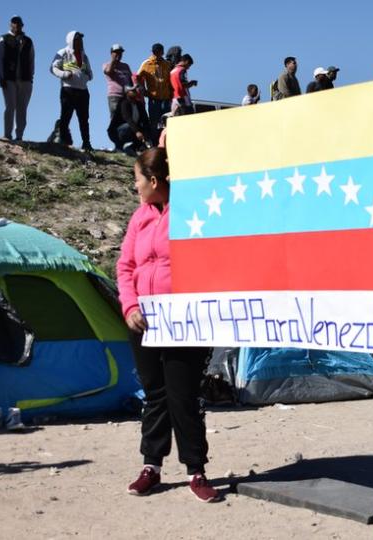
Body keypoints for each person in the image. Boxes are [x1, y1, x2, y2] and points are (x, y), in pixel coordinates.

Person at [116, 147, 219, 503]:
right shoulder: (138, 218)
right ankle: (152, 466)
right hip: (142, 320)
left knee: (182, 395)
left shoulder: (191, 213)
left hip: (183, 319)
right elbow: (125, 267)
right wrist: (129, 306)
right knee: (155, 393)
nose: (136, 188)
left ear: (155, 181)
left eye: (138, 180)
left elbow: (210, 261)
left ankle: (196, 470)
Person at [50, 30, 93, 152]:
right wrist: (64, 74)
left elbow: (90, 72)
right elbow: (53, 68)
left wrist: (87, 76)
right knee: (66, 116)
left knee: (84, 119)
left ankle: (86, 143)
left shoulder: (84, 56)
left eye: (81, 39)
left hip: (83, 91)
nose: (80, 42)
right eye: (77, 39)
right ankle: (63, 141)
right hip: (68, 89)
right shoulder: (63, 53)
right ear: (71, 40)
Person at [0, 15, 34, 141]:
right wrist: (1, 77)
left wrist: (31, 78)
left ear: (22, 25)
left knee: (22, 108)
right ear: (10, 25)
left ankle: (19, 136)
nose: (16, 25)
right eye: (14, 23)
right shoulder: (4, 39)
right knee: (10, 106)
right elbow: (0, 59)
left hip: (25, 80)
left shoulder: (28, 41)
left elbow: (31, 59)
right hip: (9, 79)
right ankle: (7, 134)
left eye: (18, 23)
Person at [136, 44, 172, 143]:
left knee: (167, 122)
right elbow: (137, 77)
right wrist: (143, 89)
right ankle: (155, 144)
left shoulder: (167, 64)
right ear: (153, 52)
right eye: (156, 52)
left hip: (166, 98)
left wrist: (171, 93)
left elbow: (171, 79)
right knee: (154, 123)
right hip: (154, 99)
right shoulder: (146, 63)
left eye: (160, 52)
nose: (158, 54)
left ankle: (166, 143)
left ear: (162, 52)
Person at [102, 43, 132, 143]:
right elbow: (109, 72)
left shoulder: (126, 66)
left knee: (127, 120)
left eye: (120, 52)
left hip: (126, 97)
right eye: (116, 52)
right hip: (114, 96)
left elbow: (130, 79)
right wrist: (113, 61)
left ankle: (124, 143)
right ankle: (117, 143)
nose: (119, 54)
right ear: (111, 53)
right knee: (115, 120)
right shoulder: (106, 64)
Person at [109, 86, 151, 155]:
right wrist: (137, 131)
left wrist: (146, 133)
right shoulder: (123, 103)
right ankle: (119, 146)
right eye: (132, 91)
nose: (135, 92)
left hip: (134, 129)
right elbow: (128, 118)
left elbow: (145, 119)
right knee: (128, 127)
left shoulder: (139, 104)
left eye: (135, 90)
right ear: (127, 92)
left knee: (147, 129)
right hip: (118, 131)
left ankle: (132, 147)